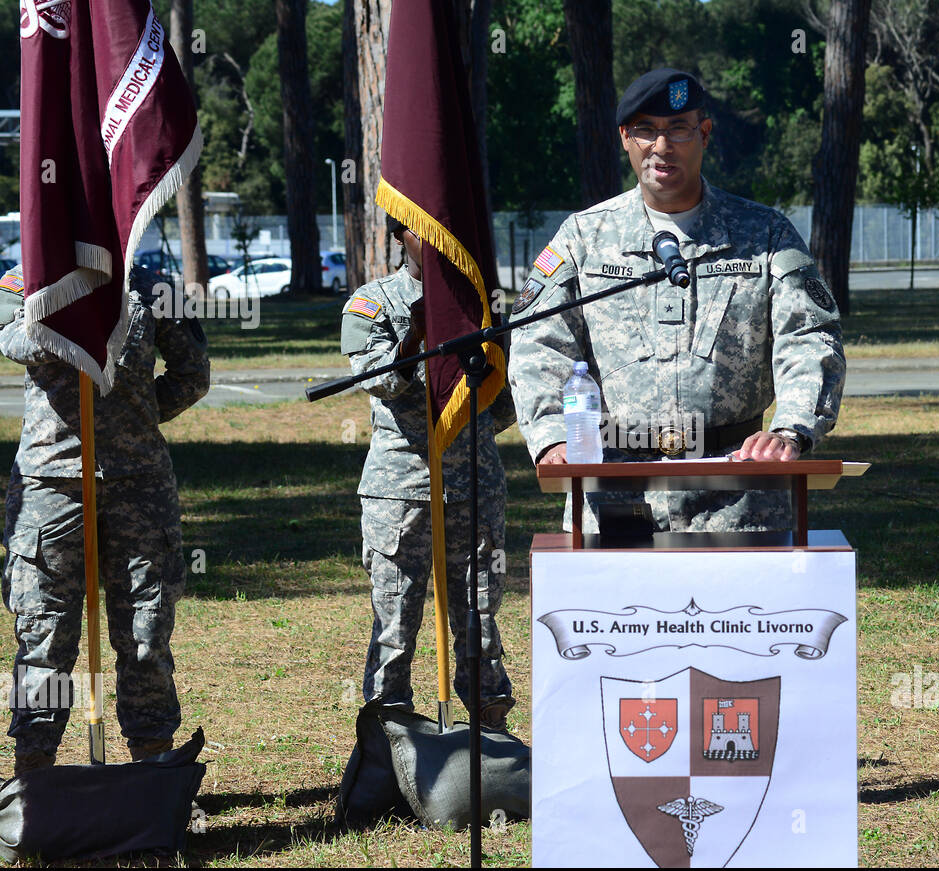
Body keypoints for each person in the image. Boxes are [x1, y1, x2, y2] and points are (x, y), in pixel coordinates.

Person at [507, 68, 845, 533]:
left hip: (738, 494)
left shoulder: (764, 233)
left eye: (678, 130)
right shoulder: (585, 237)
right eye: (646, 130)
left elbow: (809, 336)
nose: (661, 147)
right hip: (613, 488)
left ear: (704, 134)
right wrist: (550, 438)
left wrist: (789, 430)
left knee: (737, 608)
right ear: (625, 137)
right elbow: (538, 343)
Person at [0, 265, 209, 776]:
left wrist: (132, 421)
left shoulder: (156, 287)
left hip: (137, 484)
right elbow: (14, 341)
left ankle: (154, 769)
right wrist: (70, 303)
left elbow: (192, 373)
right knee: (44, 631)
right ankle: (34, 779)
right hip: (52, 484)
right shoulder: (24, 280)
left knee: (146, 627)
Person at [341, 216, 515, 731]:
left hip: (474, 486)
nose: (435, 244)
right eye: (421, 231)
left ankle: (491, 743)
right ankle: (388, 738)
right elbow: (380, 383)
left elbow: (505, 397)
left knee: (479, 616)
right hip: (402, 490)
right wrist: (414, 337)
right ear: (399, 236)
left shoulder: (482, 309)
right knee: (395, 623)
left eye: (443, 231)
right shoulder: (373, 303)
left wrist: (473, 434)